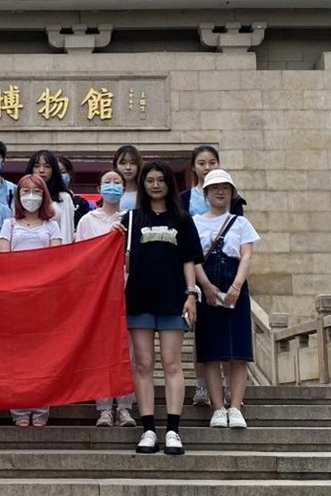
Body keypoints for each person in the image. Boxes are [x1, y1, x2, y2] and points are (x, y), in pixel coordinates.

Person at [116, 161, 202, 455]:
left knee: (171, 363)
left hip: (173, 298)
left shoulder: (183, 219)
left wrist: (191, 294)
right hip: (138, 298)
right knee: (142, 364)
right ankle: (148, 429)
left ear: (169, 183)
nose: (155, 185)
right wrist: (112, 233)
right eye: (150, 180)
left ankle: (174, 430)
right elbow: (113, 254)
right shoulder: (131, 218)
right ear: (143, 184)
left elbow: (188, 260)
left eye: (160, 180)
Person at [179, 145, 246, 407]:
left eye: (212, 162)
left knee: (230, 334)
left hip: (228, 273)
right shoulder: (184, 199)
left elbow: (242, 242)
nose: (206, 167)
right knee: (203, 331)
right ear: (193, 167)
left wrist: (237, 283)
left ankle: (230, 387)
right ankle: (202, 385)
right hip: (196, 269)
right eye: (201, 163)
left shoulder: (233, 201)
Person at [193, 169, 260, 430]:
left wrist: (236, 286)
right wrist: (206, 285)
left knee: (238, 351)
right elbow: (193, 258)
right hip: (207, 285)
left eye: (225, 188)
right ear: (206, 193)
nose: (220, 192)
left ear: (232, 193)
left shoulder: (241, 223)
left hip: (235, 286)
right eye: (214, 188)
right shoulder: (195, 222)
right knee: (211, 351)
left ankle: (236, 407)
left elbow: (246, 256)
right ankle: (218, 408)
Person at [0, 174, 62, 426]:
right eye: (25, 191)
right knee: (18, 354)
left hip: (44, 297)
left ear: (44, 195)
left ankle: (42, 405)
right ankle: (19, 408)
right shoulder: (9, 224)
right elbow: (3, 259)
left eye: (36, 191)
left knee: (43, 353)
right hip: (16, 297)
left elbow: (57, 259)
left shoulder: (52, 226)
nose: (31, 196)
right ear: (18, 196)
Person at [75, 169, 136, 428]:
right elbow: (80, 257)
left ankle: (124, 407)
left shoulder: (132, 219)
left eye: (117, 182)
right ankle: (103, 408)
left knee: (128, 350)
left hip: (128, 289)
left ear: (124, 188)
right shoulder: (87, 220)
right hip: (97, 293)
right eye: (107, 182)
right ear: (99, 189)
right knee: (100, 350)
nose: (112, 186)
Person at [25, 149, 75, 245]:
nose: (41, 170)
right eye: (36, 166)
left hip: (55, 250)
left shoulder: (64, 197)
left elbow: (67, 232)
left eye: (47, 166)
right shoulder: (21, 195)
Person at [57, 155, 92, 229]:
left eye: (63, 172)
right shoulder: (43, 201)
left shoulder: (81, 203)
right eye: (55, 173)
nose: (59, 176)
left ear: (70, 174)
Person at [113, 145, 144, 211]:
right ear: (116, 166)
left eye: (133, 163)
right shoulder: (109, 192)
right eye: (123, 163)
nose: (128, 167)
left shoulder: (145, 193)